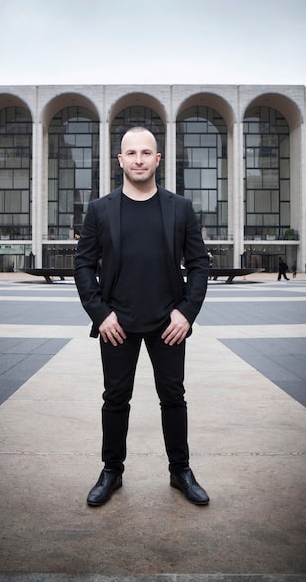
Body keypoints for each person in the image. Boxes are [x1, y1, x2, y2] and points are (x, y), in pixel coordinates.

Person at [74, 126, 210, 507]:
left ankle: (180, 471)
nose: (138, 159)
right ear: (120, 160)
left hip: (169, 324)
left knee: (173, 398)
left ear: (157, 159)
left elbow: (200, 265)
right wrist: (101, 315)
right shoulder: (100, 210)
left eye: (145, 152)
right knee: (115, 398)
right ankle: (111, 471)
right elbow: (83, 266)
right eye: (131, 153)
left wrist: (186, 313)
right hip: (116, 324)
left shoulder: (180, 208)